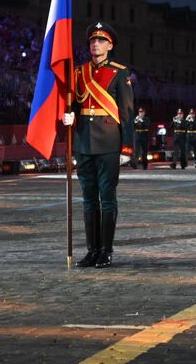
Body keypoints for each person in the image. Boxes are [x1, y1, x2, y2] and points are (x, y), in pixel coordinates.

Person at [62, 21, 134, 268]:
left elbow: (126, 113)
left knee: (107, 198)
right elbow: (72, 102)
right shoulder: (78, 72)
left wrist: (127, 147)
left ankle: (106, 250)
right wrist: (68, 114)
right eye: (93, 41)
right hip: (84, 142)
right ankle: (91, 250)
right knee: (88, 198)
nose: (96, 44)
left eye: (101, 41)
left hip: (108, 142)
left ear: (110, 45)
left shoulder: (119, 72)